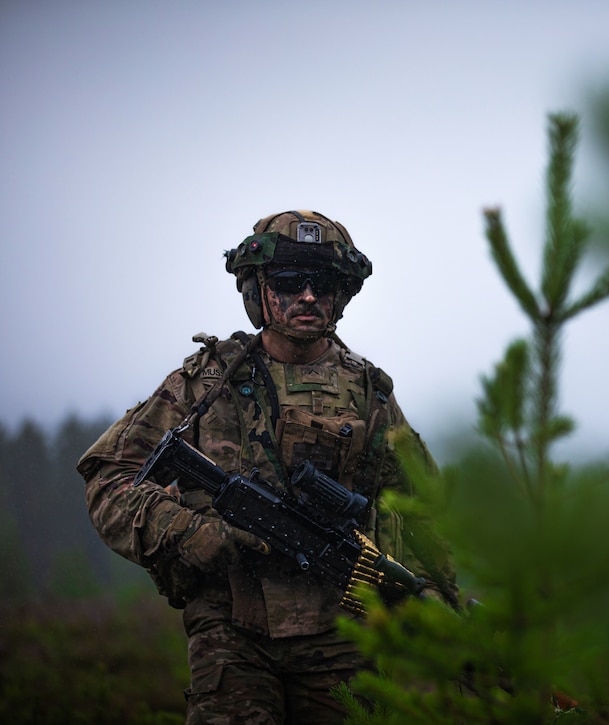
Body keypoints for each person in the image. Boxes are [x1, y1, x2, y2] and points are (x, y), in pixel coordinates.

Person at [77, 210, 457, 724]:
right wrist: (188, 531)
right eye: (287, 282)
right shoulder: (206, 384)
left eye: (321, 283)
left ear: (340, 294)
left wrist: (436, 593)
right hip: (232, 630)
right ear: (258, 292)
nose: (306, 296)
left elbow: (425, 509)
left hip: (342, 636)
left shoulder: (370, 395)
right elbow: (109, 478)